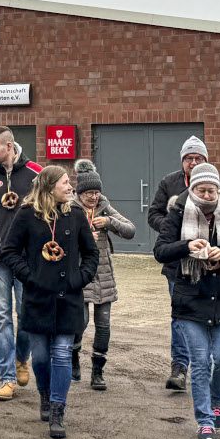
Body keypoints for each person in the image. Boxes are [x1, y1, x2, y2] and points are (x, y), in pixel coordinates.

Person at [153, 163, 220, 439]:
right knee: (199, 363)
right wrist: (187, 246)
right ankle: (205, 422)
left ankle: (216, 401)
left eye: (211, 190)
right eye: (201, 190)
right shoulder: (177, 212)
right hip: (190, 298)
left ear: (218, 190)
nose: (207, 195)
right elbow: (160, 251)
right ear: (192, 188)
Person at [1, 165, 98, 438]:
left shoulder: (76, 215)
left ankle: (57, 409)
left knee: (62, 353)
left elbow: (91, 254)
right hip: (38, 297)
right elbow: (9, 251)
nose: (70, 187)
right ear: (49, 187)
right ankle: (44, 394)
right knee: (41, 357)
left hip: (69, 297)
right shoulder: (26, 215)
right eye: (65, 183)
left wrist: (80, 279)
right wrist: (29, 277)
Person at [148, 136, 220, 392]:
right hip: (178, 264)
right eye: (188, 158)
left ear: (206, 160)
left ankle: (207, 364)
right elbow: (153, 214)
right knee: (180, 316)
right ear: (182, 161)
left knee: (209, 316)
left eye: (198, 158)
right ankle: (179, 367)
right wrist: (175, 228)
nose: (193, 162)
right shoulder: (169, 183)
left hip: (213, 267)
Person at [0, 125, 41, 401]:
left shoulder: (37, 174)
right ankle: (7, 378)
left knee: (26, 315)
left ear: (10, 146)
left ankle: (21, 358)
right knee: (1, 317)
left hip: (28, 260)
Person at [71, 160, 135, 388]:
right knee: (80, 322)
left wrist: (109, 222)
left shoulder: (105, 207)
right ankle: (73, 358)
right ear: (79, 193)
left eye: (96, 193)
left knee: (104, 324)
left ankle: (98, 371)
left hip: (103, 274)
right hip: (79, 274)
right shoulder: (70, 208)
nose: (93, 197)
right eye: (89, 193)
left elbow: (130, 230)